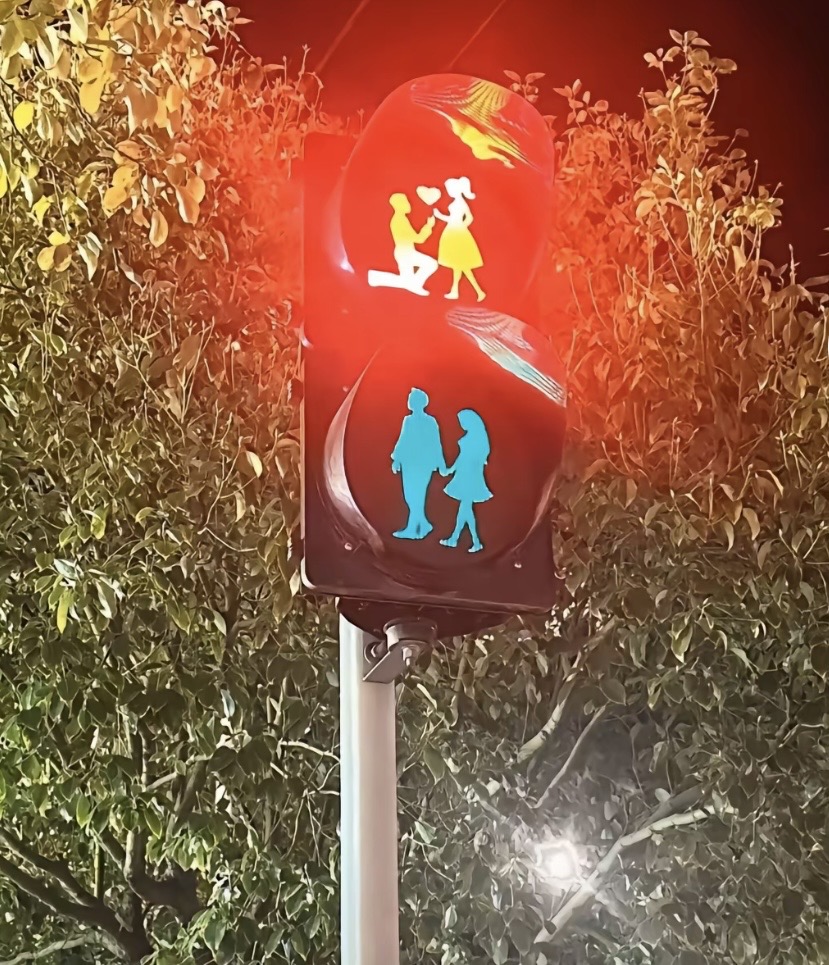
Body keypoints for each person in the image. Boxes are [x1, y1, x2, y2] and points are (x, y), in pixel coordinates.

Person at [391, 388, 448, 539]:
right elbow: (403, 440)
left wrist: (441, 463)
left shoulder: (430, 422)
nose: (409, 402)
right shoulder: (408, 420)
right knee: (409, 495)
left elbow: (436, 443)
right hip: (409, 462)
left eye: (412, 399)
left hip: (423, 463)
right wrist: (397, 459)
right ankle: (423, 524)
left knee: (417, 495)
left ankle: (413, 528)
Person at [440, 408, 492, 553]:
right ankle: (470, 541)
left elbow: (466, 458)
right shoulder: (473, 436)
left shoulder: (476, 438)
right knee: (465, 509)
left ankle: (458, 539)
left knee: (465, 508)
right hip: (465, 473)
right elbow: (462, 457)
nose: (461, 424)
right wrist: (451, 470)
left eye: (462, 421)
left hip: (470, 475)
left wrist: (451, 470)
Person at [367, 193, 438, 296]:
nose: (408, 204)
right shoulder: (400, 221)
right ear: (400, 205)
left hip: (405, 252)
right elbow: (419, 239)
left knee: (407, 279)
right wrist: (429, 226)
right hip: (405, 253)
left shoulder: (400, 219)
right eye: (406, 202)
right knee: (431, 264)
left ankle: (375, 278)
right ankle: (414, 284)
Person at [433, 177, 486, 302]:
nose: (448, 192)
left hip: (456, 234)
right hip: (455, 232)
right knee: (457, 265)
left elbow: (467, 218)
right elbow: (464, 218)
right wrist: (460, 225)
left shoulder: (459, 203)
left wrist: (441, 216)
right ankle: (455, 291)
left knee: (462, 266)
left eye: (449, 189)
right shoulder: (458, 201)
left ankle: (478, 291)